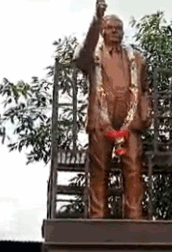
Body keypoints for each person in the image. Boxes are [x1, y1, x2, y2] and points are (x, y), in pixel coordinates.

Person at [73, 0, 152, 219]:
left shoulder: (137, 59)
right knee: (99, 169)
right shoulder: (93, 57)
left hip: (130, 121)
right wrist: (97, 18)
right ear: (102, 32)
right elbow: (83, 54)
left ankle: (134, 215)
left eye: (119, 28)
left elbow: (145, 89)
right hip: (101, 120)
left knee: (134, 167)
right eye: (110, 28)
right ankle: (98, 215)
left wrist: (146, 110)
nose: (115, 31)